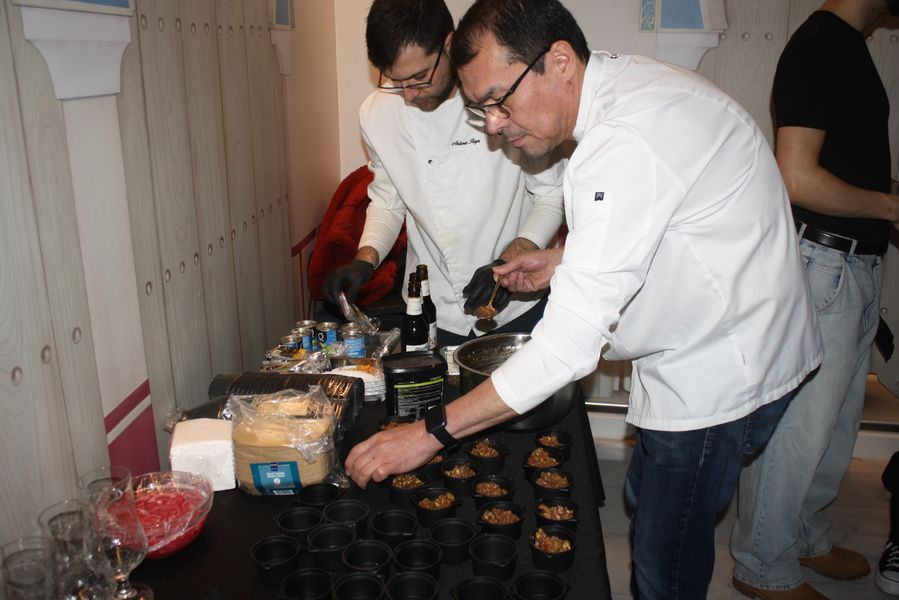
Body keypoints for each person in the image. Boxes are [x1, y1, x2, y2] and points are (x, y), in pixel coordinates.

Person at [345, 1, 823, 598]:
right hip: (732, 337)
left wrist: (428, 434)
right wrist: (560, 261)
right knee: (647, 502)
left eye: (499, 101)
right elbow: (666, 227)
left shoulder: (621, 141)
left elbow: (568, 347)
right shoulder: (624, 88)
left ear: (560, 62)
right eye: (482, 108)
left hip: (721, 369)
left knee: (665, 563)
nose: (492, 125)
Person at [730, 1, 899, 598]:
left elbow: (844, 161)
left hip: (852, 264)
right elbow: (796, 178)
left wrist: (884, 193)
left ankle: (803, 534)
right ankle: (762, 565)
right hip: (825, 265)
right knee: (799, 427)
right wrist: (892, 206)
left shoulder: (848, 43)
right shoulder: (819, 45)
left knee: (835, 424)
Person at [322, 0, 565, 349]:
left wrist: (511, 261)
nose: (409, 95)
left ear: (449, 45)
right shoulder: (376, 113)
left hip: (519, 305)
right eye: (396, 81)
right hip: (432, 308)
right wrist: (366, 258)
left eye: (419, 77)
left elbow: (550, 195)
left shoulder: (500, 97)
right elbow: (388, 202)